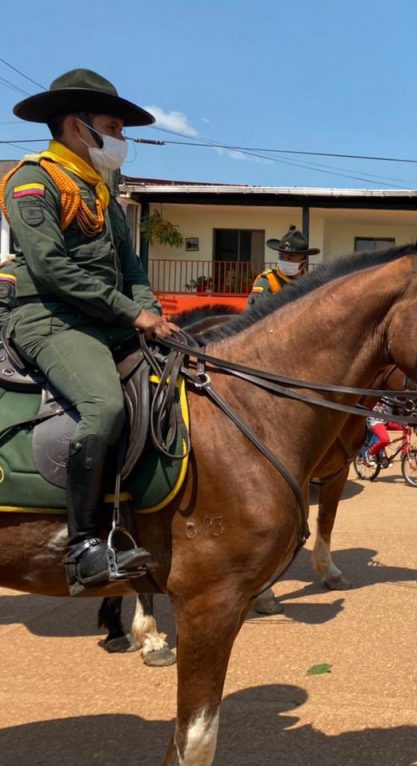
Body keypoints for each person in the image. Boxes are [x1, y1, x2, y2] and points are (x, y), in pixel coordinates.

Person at [0, 69, 179, 594]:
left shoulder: (101, 191)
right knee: (105, 405)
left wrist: (152, 313)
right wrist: (131, 313)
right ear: (78, 126)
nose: (121, 139)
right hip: (50, 317)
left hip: (104, 317)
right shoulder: (34, 180)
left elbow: (134, 268)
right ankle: (81, 547)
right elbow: (51, 267)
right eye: (114, 127)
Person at [247, 225, 318, 307]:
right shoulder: (267, 280)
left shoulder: (311, 282)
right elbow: (254, 313)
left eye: (290, 257)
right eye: (281, 256)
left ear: (302, 260)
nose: (285, 260)